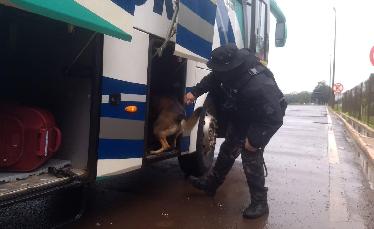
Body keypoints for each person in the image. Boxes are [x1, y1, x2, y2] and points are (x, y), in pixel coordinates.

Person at [184, 44, 286, 219]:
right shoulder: (228, 71)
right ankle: (211, 185)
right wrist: (194, 92)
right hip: (244, 110)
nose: (217, 71)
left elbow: (274, 117)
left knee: (250, 152)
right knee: (229, 147)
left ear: (230, 67)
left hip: (265, 116)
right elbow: (213, 78)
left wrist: (254, 140)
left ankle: (260, 202)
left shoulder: (259, 86)